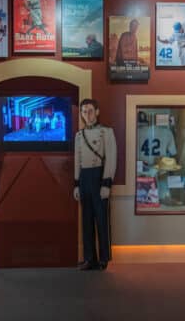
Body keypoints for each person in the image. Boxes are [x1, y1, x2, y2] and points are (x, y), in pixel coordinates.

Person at [73, 98, 117, 271]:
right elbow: (78, 160)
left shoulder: (106, 132)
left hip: (99, 177)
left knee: (101, 219)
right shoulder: (79, 135)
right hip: (84, 178)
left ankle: (104, 258)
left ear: (97, 112)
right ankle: (89, 258)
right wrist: (76, 184)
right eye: (84, 111)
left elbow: (111, 158)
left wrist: (106, 183)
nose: (87, 115)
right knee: (86, 220)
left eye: (90, 110)